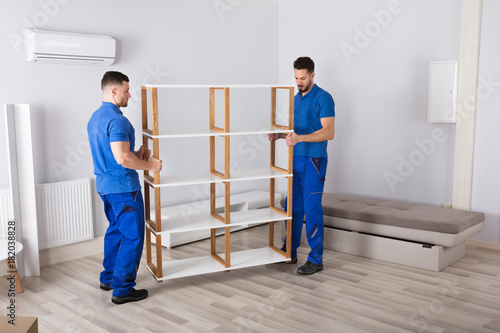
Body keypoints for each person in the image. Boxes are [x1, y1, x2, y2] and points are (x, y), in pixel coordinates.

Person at [87, 71, 162, 304]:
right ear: (113, 91)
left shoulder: (95, 117)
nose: (129, 95)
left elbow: (118, 154)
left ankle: (108, 278)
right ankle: (123, 289)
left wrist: (136, 154)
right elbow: (122, 159)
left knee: (116, 231)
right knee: (133, 237)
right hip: (123, 188)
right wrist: (149, 165)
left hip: (106, 187)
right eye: (126, 90)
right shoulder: (118, 120)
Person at [269, 56, 335, 275]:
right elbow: (294, 132)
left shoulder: (324, 98)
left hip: (314, 161)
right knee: (292, 206)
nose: (299, 81)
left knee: (311, 208)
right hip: (294, 160)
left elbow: (329, 132)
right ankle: (290, 251)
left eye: (303, 78)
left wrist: (300, 139)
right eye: (296, 77)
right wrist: (278, 135)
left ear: (312, 75)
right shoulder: (295, 99)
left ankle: (316, 259)